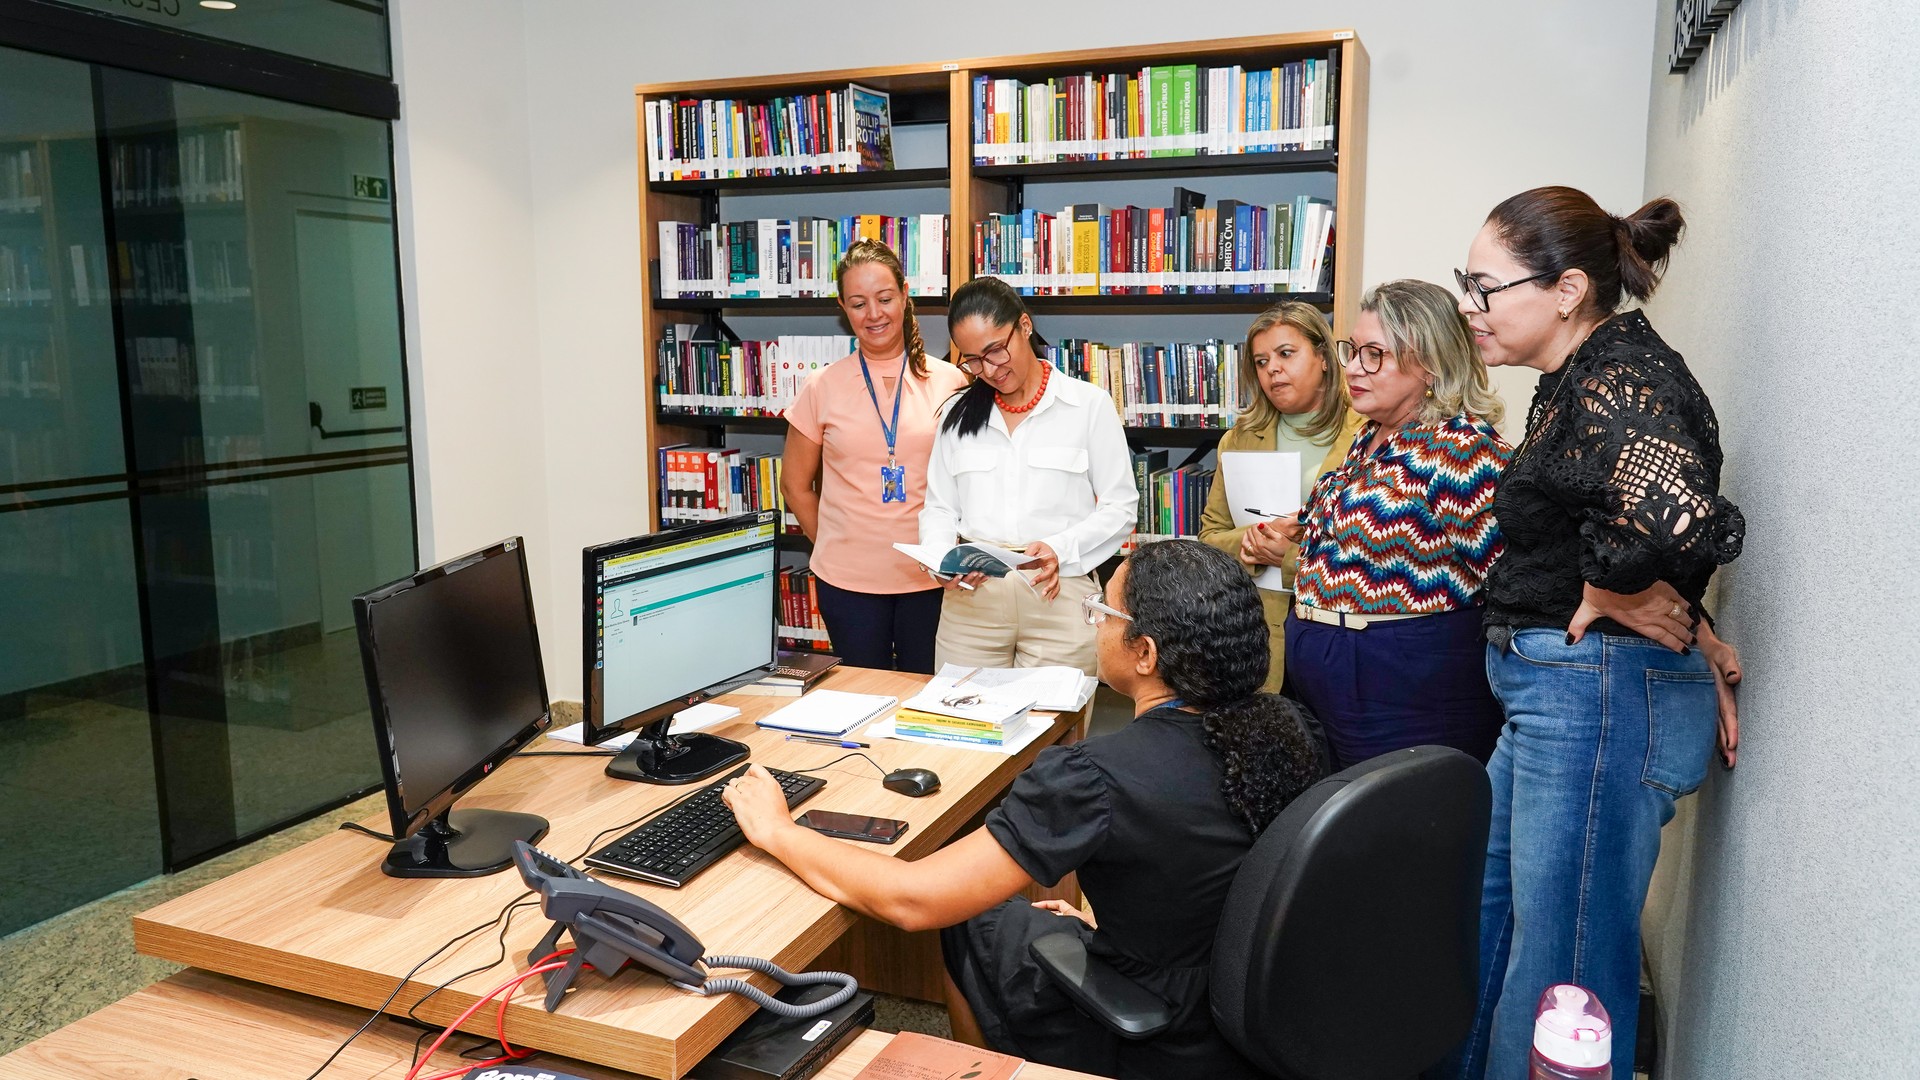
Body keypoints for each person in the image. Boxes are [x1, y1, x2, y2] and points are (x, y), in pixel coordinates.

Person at [721, 540, 1323, 1080]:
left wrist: (778, 830)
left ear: (1145, 653)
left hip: (1165, 1032)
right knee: (1030, 917)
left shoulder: (1096, 776)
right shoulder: (1290, 727)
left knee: (969, 921)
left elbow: (914, 900)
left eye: (1103, 614)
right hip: (1257, 1004)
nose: (1095, 627)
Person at [1436, 187, 1745, 1080]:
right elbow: (1592, 521)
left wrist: (1612, 590)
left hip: (1597, 701)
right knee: (1493, 927)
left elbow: (1679, 517)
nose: (1469, 304)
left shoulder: (1620, 377)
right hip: (1562, 697)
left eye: (1485, 286)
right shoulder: (1580, 376)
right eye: (1467, 282)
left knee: (1563, 976)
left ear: (1567, 290)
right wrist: (1651, 600)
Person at [1278, 279, 1512, 770]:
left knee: (1399, 834)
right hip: (1328, 684)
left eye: (1375, 354)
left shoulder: (1464, 450)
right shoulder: (1368, 437)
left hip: (1405, 694)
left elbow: (1517, 577)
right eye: (1352, 350)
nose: (1353, 368)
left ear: (1431, 364)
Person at [917, 277, 1137, 674]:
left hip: (1058, 592)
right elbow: (939, 508)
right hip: (973, 602)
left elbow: (1121, 509)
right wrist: (939, 559)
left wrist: (1060, 548)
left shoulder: (1087, 406)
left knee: (1055, 731)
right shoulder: (957, 415)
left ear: (1024, 326)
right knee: (960, 725)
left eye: (996, 351)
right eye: (973, 360)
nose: (989, 370)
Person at [781, 240, 969, 673]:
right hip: (848, 584)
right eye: (859, 303)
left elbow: (969, 482)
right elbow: (794, 484)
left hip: (931, 579)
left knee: (927, 697)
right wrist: (834, 542)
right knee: (862, 700)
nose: (874, 314)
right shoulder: (821, 386)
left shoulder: (950, 382)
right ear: (843, 309)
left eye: (885, 299)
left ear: (905, 295)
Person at [1198, 301, 1365, 692]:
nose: (1272, 368)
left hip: (1342, 627)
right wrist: (1255, 540)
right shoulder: (1239, 439)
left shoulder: (1369, 431)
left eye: (1286, 353)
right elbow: (1210, 538)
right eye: (1260, 361)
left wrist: (1290, 552)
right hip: (1259, 630)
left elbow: (1377, 546)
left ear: (1323, 357)